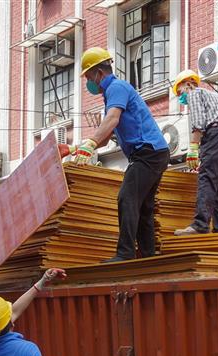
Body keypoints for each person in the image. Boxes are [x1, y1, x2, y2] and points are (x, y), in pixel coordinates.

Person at [69, 47, 170, 262]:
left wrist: (90, 143)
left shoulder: (116, 87)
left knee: (127, 198)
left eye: (88, 77)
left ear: (98, 73)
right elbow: (106, 137)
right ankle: (147, 255)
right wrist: (74, 149)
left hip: (148, 152)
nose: (88, 83)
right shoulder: (113, 93)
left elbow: (112, 119)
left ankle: (125, 253)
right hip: (154, 152)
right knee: (143, 206)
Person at [171, 70, 218, 236]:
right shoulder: (216, 96)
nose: (181, 97)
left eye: (180, 92)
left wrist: (193, 147)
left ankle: (200, 224)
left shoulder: (194, 93)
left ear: (187, 84)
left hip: (214, 134)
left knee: (207, 178)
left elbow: (199, 122)